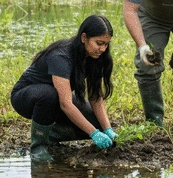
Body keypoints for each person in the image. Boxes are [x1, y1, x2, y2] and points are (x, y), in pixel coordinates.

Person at [10, 15, 118, 162]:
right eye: (99, 43)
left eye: (106, 44)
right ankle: (38, 146)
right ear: (84, 37)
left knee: (96, 123)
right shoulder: (61, 56)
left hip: (56, 98)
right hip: (27, 98)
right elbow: (65, 104)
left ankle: (50, 135)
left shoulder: (95, 57)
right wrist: (94, 134)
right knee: (50, 95)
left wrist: (107, 129)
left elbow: (96, 98)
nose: (103, 49)